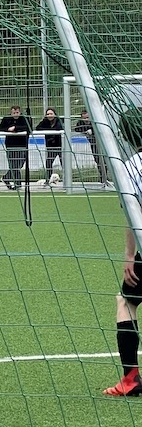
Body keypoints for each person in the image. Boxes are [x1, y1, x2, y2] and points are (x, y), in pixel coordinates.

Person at [103, 110, 142, 397]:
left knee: (126, 301)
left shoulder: (131, 167)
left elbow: (133, 213)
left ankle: (130, 379)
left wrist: (129, 255)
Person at [0, 105, 32, 191]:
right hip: (10, 145)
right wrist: (8, 129)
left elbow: (28, 128)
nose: (15, 114)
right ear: (11, 112)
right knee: (14, 164)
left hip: (22, 144)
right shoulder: (6, 119)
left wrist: (16, 128)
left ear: (20, 112)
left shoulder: (24, 119)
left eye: (17, 112)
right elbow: (1, 128)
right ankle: (18, 183)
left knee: (20, 163)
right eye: (13, 113)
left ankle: (6, 177)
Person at [75, 109, 109, 186]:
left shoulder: (95, 122)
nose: (86, 120)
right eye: (84, 118)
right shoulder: (80, 123)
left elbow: (100, 129)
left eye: (87, 117)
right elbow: (77, 129)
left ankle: (105, 177)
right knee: (97, 160)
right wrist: (85, 131)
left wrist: (92, 131)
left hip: (102, 143)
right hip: (93, 143)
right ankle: (102, 177)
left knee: (104, 160)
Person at [35, 107, 65, 186]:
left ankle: (67, 180)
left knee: (64, 163)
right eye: (48, 114)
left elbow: (59, 128)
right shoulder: (45, 121)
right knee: (48, 162)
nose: (49, 115)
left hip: (60, 146)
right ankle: (48, 180)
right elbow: (38, 128)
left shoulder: (59, 120)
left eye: (51, 114)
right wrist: (48, 129)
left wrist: (48, 130)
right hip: (50, 146)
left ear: (54, 114)